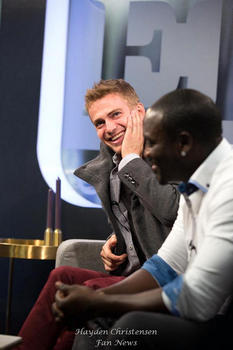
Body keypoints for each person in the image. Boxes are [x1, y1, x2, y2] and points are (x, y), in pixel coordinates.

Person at [53, 88, 233, 350]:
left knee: (131, 325)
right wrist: (96, 299)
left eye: (152, 142)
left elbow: (198, 297)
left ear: (183, 143)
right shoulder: (194, 182)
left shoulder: (228, 186)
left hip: (219, 319)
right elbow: (166, 266)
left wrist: (100, 301)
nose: (143, 154)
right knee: (97, 322)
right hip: (198, 311)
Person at [17, 80, 179, 350]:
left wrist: (132, 161)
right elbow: (140, 217)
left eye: (116, 114)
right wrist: (118, 239)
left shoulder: (170, 153)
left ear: (140, 112)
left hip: (167, 278)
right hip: (133, 274)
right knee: (62, 277)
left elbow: (174, 212)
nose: (109, 128)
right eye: (99, 122)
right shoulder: (110, 166)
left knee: (89, 291)